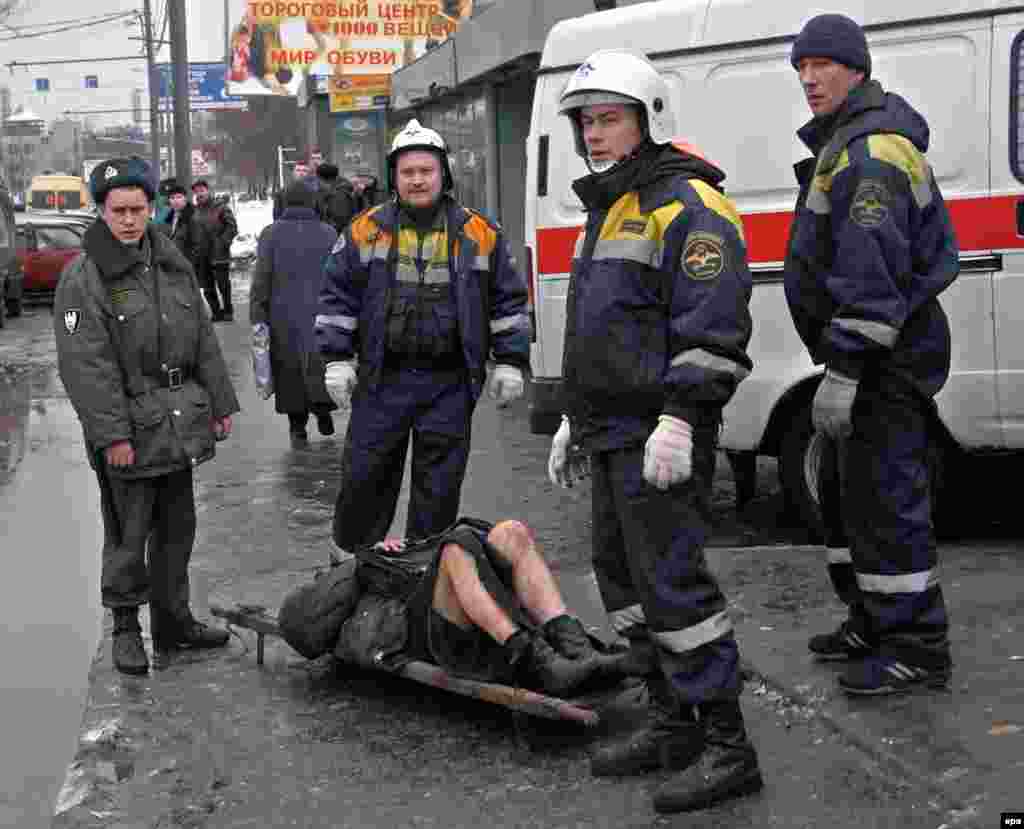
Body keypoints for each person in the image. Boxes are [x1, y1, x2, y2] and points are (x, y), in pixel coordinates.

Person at [549, 49, 762, 813]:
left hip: (659, 431)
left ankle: (728, 744)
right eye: (585, 121)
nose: (593, 134)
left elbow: (713, 325)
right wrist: (575, 417)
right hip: (611, 431)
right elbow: (600, 329)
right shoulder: (610, 205)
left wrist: (681, 416)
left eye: (608, 119)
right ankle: (673, 722)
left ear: (650, 120)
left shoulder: (690, 206)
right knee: (625, 583)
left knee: (675, 585)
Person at [784, 14, 958, 695]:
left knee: (886, 503)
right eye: (801, 67)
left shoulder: (871, 152)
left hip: (883, 362)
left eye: (822, 64)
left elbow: (871, 270)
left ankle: (917, 646)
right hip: (868, 358)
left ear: (856, 69)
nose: (808, 78)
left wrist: (846, 368)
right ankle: (872, 620)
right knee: (848, 495)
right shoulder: (848, 142)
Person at [53, 157, 240, 676]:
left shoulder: (170, 261)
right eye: (119, 210)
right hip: (129, 432)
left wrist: (220, 403)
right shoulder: (83, 277)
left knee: (178, 530)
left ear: (151, 207)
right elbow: (85, 366)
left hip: (177, 422)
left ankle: (173, 622)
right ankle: (126, 629)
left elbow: (202, 335)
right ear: (102, 211)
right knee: (128, 536)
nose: (130, 219)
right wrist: (112, 436)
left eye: (138, 209)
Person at [315, 118, 530, 553]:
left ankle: (424, 569)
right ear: (394, 177)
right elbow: (337, 297)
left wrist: (510, 360)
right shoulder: (363, 230)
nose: (417, 180)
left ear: (443, 174)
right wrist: (336, 359)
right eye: (408, 171)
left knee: (439, 491)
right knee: (365, 479)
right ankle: (352, 566)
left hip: (449, 383)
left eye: (426, 170)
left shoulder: (479, 233)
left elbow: (507, 300)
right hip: (382, 380)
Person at [317, 518, 627, 697]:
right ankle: (538, 661)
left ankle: (578, 650)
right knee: (457, 545)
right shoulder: (351, 586)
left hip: (470, 607)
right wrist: (365, 559)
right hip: (430, 636)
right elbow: (313, 619)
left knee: (511, 532)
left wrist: (392, 551)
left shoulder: (388, 552)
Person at [249, 180, 339, 446]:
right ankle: (323, 411)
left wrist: (257, 313)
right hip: (321, 313)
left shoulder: (270, 234)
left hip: (281, 315)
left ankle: (297, 427)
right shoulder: (329, 233)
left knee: (288, 368)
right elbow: (338, 276)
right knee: (320, 365)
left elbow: (262, 277)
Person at [192, 179, 238, 322]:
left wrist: (222, 243)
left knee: (223, 285)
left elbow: (232, 227)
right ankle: (216, 312)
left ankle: (228, 311)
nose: (200, 194)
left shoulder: (221, 207)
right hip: (202, 255)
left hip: (219, 254)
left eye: (202, 190)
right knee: (207, 287)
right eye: (197, 191)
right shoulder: (194, 211)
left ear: (208, 191)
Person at [314, 161, 359, 234]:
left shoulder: (340, 196)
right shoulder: (331, 192)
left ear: (323, 180)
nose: (317, 183)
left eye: (318, 179)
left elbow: (339, 223)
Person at [159, 184, 196, 265]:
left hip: (188, 263)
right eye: (172, 198)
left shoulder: (193, 217)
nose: (175, 201)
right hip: (172, 263)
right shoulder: (168, 218)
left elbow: (197, 246)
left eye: (179, 197)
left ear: (185, 199)